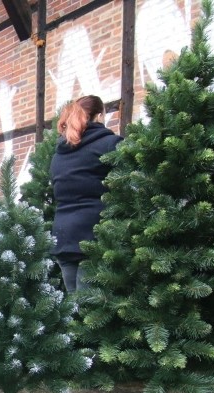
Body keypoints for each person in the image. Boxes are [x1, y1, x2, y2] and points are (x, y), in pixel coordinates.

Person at [49, 95, 123, 293]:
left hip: (63, 237)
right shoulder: (109, 144)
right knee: (90, 311)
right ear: (99, 116)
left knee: (75, 309)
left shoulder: (59, 153)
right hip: (94, 236)